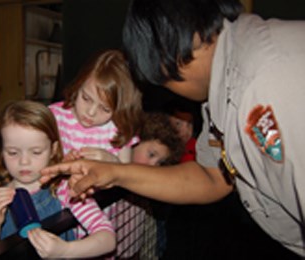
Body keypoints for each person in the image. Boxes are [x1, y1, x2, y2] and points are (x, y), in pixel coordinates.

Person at [41, 0, 305, 258]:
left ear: (184, 45)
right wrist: (115, 172)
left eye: (161, 77)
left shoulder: (268, 83)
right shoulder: (225, 83)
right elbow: (212, 177)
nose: (167, 88)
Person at [0, 100, 115, 259]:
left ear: (53, 150)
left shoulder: (66, 189)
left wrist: (65, 250)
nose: (24, 161)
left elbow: (108, 239)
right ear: (1, 151)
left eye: (36, 152)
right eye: (13, 152)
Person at [67, 111, 184, 259]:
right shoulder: (107, 166)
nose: (153, 165)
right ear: (135, 142)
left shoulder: (146, 185)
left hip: (130, 248)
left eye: (159, 163)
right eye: (151, 154)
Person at [49, 49, 142, 163]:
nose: (91, 112)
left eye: (105, 109)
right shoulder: (54, 117)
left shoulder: (120, 130)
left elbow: (125, 177)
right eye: (86, 98)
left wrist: (112, 162)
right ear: (78, 85)